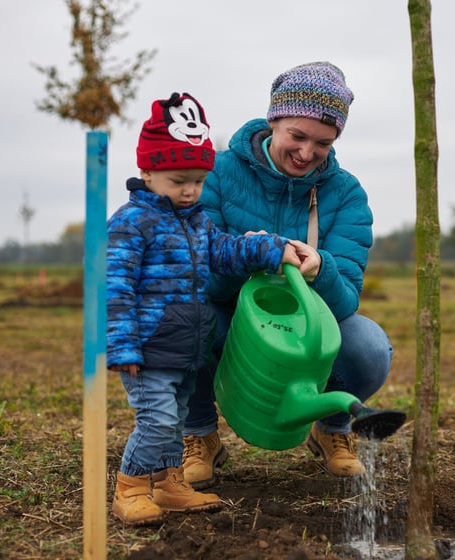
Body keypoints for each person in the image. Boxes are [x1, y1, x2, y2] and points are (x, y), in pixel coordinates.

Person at [106, 92, 317, 525]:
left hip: (186, 345)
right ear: (147, 172)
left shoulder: (197, 221)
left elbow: (224, 251)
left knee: (178, 417)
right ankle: (130, 487)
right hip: (148, 348)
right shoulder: (131, 224)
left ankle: (169, 485)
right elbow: (115, 289)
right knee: (158, 419)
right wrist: (122, 346)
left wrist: (270, 248)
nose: (190, 191)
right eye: (178, 179)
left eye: (198, 181)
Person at [180, 61, 393, 485]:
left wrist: (321, 269)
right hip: (228, 317)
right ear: (274, 118)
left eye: (323, 143)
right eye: (297, 136)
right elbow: (195, 272)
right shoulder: (218, 173)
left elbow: (347, 298)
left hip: (305, 327)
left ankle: (332, 428)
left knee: (368, 346)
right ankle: (199, 433)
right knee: (184, 322)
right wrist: (245, 256)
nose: (306, 153)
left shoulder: (346, 194)